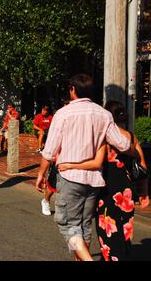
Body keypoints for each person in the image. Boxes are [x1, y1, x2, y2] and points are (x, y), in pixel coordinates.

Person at [35, 74, 135, 261]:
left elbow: (49, 151)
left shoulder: (63, 114)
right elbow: (123, 144)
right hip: (94, 180)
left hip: (70, 177)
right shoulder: (103, 115)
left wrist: (41, 173)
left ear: (73, 89)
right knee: (84, 226)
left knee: (68, 226)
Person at [57, 101, 149, 261]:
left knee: (103, 232)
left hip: (105, 189)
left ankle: (87, 257)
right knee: (124, 232)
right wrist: (145, 193)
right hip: (126, 191)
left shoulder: (103, 138)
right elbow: (142, 167)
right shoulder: (130, 137)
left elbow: (93, 162)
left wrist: (70, 166)